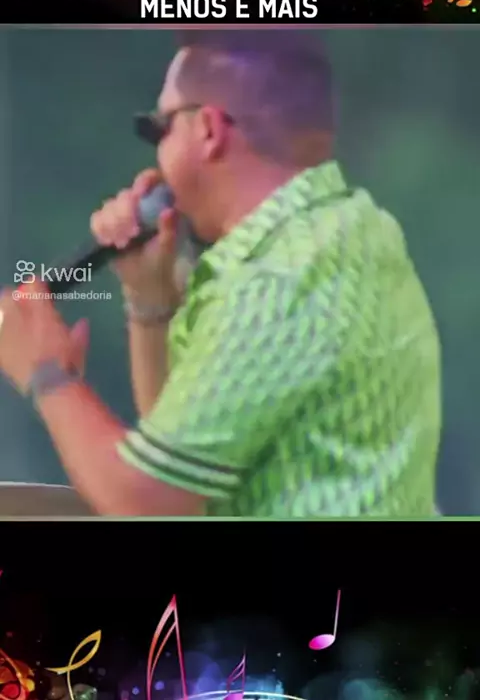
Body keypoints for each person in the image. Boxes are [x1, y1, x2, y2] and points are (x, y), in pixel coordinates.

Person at [0, 30, 441, 517]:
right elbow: (189, 458)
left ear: (209, 131)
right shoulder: (358, 231)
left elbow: (150, 503)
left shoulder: (275, 283)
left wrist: (46, 372)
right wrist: (150, 303)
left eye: (158, 131)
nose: (155, 163)